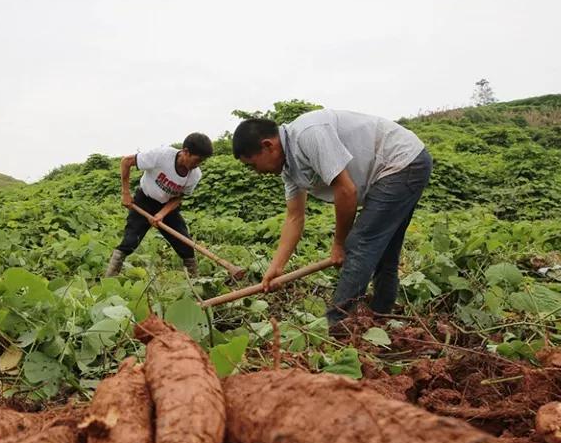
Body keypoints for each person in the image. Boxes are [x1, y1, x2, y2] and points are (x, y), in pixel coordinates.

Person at [232, 109, 432, 326]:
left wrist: (339, 244)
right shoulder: (289, 169)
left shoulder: (308, 133)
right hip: (398, 167)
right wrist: (277, 267)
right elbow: (294, 218)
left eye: (252, 165)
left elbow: (346, 191)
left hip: (401, 162)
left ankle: (337, 325)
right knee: (383, 251)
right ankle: (381, 318)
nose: (256, 172)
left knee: (359, 244)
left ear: (268, 145)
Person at [104, 132, 213, 277]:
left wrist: (162, 214)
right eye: (197, 160)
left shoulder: (195, 175)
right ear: (185, 152)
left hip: (168, 208)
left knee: (186, 245)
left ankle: (196, 280)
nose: (198, 165)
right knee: (130, 241)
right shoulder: (161, 156)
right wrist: (125, 193)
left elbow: (178, 198)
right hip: (144, 201)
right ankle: (109, 277)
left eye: (202, 162)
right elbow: (126, 162)